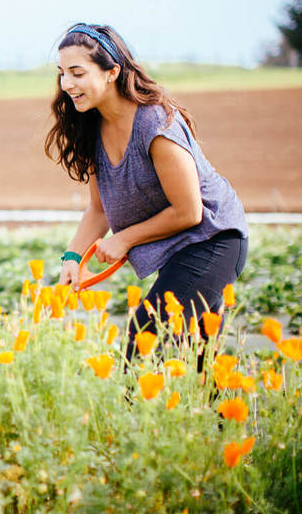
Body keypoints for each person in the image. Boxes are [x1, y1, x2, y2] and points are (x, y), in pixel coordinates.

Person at [44, 23, 248, 365]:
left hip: (214, 240)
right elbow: (99, 209)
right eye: (62, 73)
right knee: (200, 362)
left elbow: (189, 212)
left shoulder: (155, 124)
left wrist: (123, 240)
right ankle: (208, 417)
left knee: (146, 335)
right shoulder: (92, 128)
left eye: (77, 73)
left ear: (112, 73)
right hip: (179, 250)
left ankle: (133, 415)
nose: (67, 85)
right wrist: (72, 259)